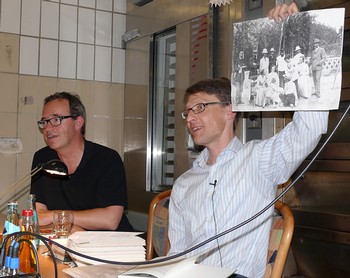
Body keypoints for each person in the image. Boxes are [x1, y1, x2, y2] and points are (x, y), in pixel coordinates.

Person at [167, 3, 329, 277]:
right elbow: (177, 252)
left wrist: (298, 29)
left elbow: (309, 128)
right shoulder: (183, 184)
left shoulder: (260, 159)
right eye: (187, 112)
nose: (190, 118)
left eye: (200, 108)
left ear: (230, 110)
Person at [30, 92, 134, 232]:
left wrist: (55, 216)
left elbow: (110, 220)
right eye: (44, 122)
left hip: (114, 246)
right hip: (70, 241)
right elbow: (40, 216)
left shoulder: (107, 159)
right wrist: (74, 228)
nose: (48, 128)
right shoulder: (42, 158)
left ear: (78, 122)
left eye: (56, 120)